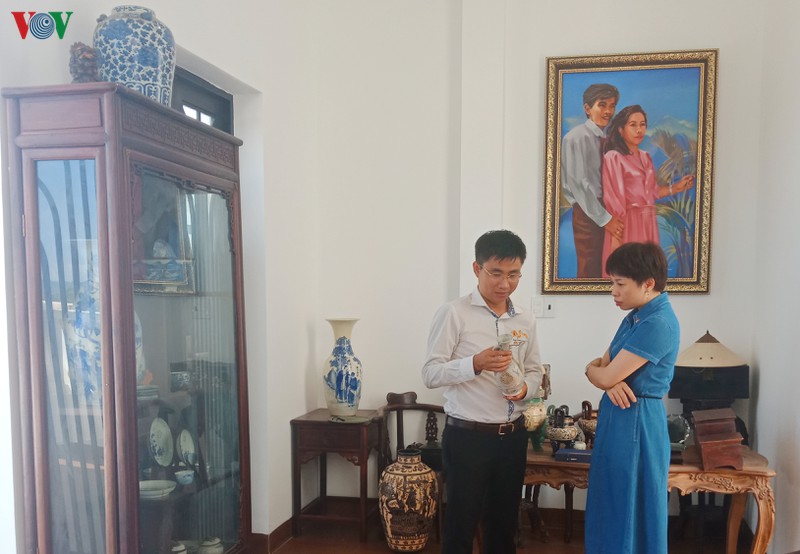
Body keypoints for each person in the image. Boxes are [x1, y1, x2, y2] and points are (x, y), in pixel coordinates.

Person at [422, 230, 543, 554]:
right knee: (460, 527)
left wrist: (525, 389)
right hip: (468, 438)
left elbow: (535, 370)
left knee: (504, 529)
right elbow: (430, 373)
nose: (505, 284)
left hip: (513, 436)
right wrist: (474, 364)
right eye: (496, 273)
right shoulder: (454, 313)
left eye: (514, 274)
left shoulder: (526, 319)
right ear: (477, 269)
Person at [583, 241, 681, 554]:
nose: (613, 291)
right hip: (619, 415)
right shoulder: (635, 316)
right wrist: (605, 379)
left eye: (620, 283)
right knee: (611, 500)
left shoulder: (658, 323)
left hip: (637, 419)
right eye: (612, 282)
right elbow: (603, 367)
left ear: (648, 283)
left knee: (629, 505)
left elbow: (603, 372)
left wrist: (599, 375)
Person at [600, 105, 695, 276]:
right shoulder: (614, 157)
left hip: (647, 222)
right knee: (625, 274)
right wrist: (616, 238)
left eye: (642, 124)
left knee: (646, 276)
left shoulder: (645, 157)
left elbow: (652, 193)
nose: (639, 130)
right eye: (633, 125)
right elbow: (614, 201)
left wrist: (676, 187)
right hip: (627, 224)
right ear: (621, 130)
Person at [561, 83, 625, 278]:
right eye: (602, 105)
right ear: (587, 108)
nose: (608, 111)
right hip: (588, 211)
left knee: (611, 266)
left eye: (612, 106)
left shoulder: (609, 138)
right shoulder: (576, 138)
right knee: (590, 268)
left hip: (607, 206)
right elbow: (578, 184)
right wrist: (605, 219)